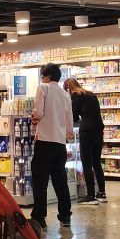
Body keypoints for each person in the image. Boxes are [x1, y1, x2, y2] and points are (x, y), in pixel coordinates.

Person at [31, 63, 75, 230]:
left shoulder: (43, 88)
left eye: (43, 76)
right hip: (60, 143)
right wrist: (66, 134)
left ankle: (39, 217)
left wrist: (34, 117)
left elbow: (39, 112)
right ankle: (65, 215)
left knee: (40, 181)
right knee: (60, 180)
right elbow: (69, 123)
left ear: (47, 76)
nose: (42, 79)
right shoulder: (65, 95)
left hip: (45, 141)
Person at [64, 77, 107, 204]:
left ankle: (90, 195)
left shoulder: (76, 96)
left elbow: (73, 117)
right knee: (97, 163)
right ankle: (102, 193)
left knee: (87, 164)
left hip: (87, 132)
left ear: (68, 88)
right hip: (98, 130)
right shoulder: (91, 95)